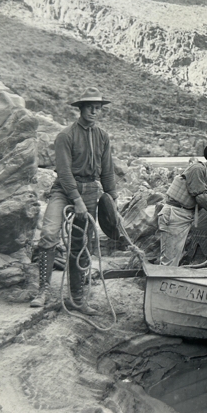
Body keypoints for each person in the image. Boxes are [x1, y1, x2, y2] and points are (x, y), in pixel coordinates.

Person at [31, 88, 118, 312]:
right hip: (64, 189)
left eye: (98, 107)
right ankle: (42, 292)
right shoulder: (65, 135)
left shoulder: (103, 136)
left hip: (91, 189)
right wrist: (76, 199)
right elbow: (64, 171)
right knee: (49, 234)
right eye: (90, 106)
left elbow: (107, 171)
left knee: (82, 244)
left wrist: (112, 200)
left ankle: (77, 298)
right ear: (80, 108)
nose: (94, 111)